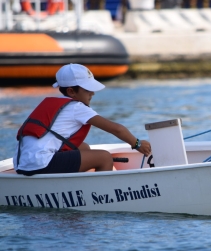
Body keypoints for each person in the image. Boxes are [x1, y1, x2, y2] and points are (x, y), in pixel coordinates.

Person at [13, 63, 151, 176]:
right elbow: (117, 129)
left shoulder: (55, 103)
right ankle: (100, 194)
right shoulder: (77, 107)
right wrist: (137, 143)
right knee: (104, 157)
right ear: (72, 92)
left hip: (22, 165)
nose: (92, 93)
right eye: (87, 89)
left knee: (84, 147)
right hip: (41, 164)